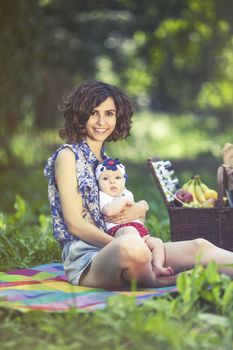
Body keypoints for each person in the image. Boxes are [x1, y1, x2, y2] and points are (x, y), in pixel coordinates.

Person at [44, 80, 233, 289]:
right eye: (93, 113)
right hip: (87, 259)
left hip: (126, 244)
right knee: (131, 246)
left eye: (109, 114)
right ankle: (162, 280)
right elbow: (74, 224)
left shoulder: (107, 163)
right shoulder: (68, 156)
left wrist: (138, 209)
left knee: (200, 246)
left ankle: (153, 269)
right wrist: (128, 244)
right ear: (80, 114)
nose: (101, 121)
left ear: (118, 117)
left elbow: (123, 218)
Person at [96, 157, 174, 277]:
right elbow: (108, 211)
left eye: (117, 178)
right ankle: (146, 268)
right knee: (130, 231)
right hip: (119, 230)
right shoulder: (103, 196)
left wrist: (140, 205)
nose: (112, 182)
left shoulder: (127, 193)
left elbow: (135, 212)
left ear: (124, 180)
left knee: (157, 243)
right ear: (98, 183)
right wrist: (123, 201)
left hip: (139, 231)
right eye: (105, 179)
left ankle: (157, 266)